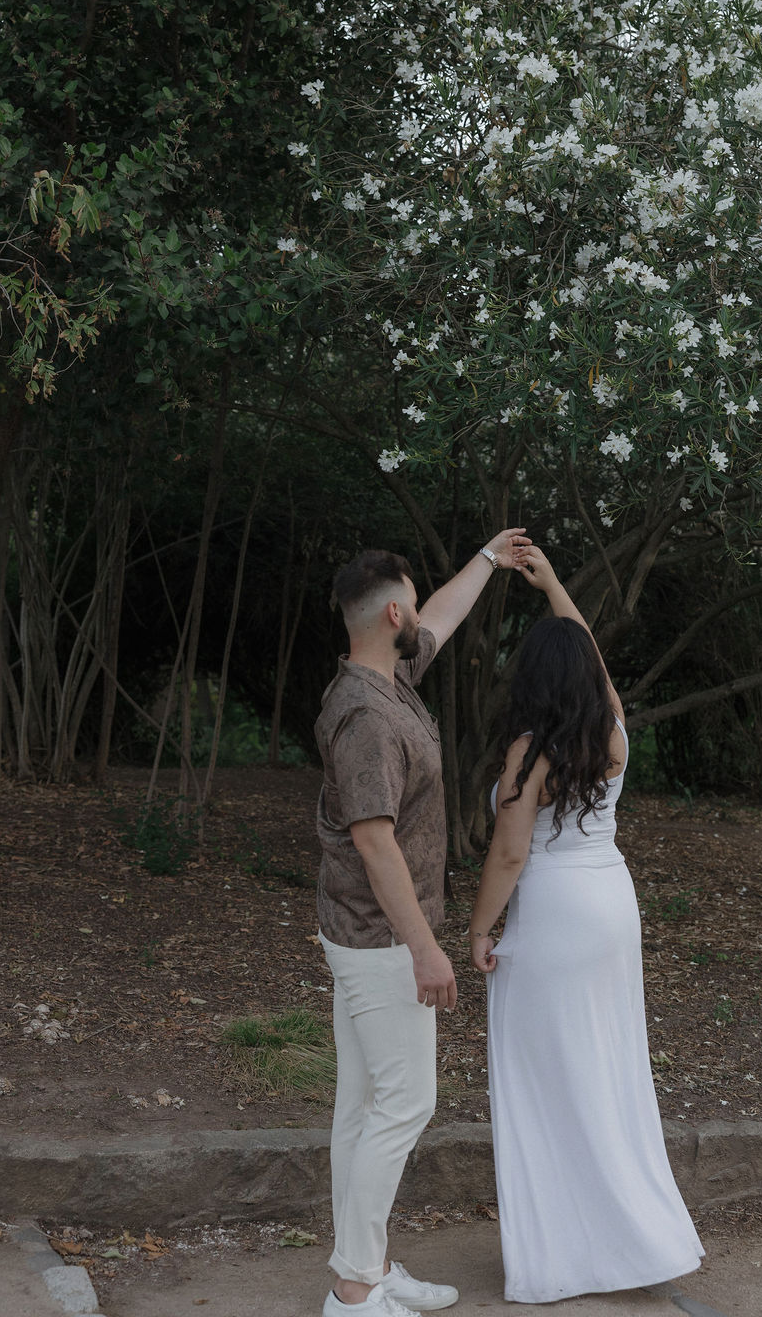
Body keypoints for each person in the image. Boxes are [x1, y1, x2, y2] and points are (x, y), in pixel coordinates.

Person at [468, 546, 705, 1304]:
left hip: (553, 915)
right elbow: (598, 674)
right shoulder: (611, 733)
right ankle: (636, 1235)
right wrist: (558, 591)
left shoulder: (528, 753)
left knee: (544, 1079)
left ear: (529, 678)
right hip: (610, 905)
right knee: (608, 1069)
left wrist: (478, 930)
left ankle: (566, 1253)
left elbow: (508, 855)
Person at [316, 531, 530, 1317]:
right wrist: (426, 950)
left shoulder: (390, 675)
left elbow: (442, 614)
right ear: (391, 613)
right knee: (405, 1106)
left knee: (363, 1107)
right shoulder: (367, 716)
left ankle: (363, 1265)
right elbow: (374, 842)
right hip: (380, 941)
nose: (422, 619)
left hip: (363, 934)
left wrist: (487, 558)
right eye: (413, 601)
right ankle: (354, 1289)